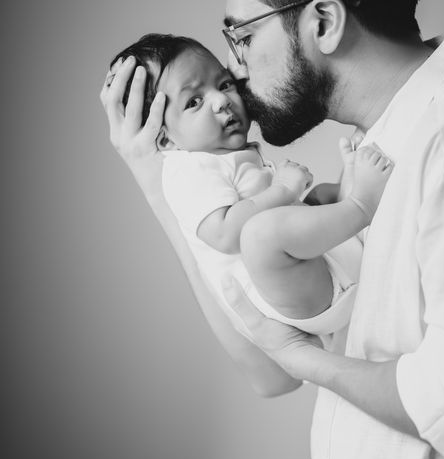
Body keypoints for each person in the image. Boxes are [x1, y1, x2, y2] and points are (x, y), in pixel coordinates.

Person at [101, 0, 444, 459]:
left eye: (241, 39)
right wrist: (160, 174)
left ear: (322, 23)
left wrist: (309, 362)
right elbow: (269, 366)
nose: (235, 71)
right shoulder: (372, 147)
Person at [108, 32, 392, 340]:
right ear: (166, 139)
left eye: (224, 84)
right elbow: (226, 234)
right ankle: (362, 204)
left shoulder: (226, 156)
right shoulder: (186, 171)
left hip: (321, 267)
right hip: (296, 298)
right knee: (262, 235)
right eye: (194, 101)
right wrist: (283, 189)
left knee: (320, 196)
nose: (221, 101)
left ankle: (350, 189)